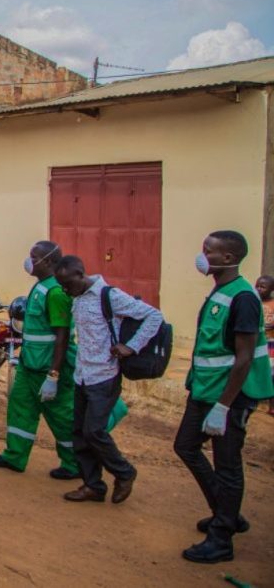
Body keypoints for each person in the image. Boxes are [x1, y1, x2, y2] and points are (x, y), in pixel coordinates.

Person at [174, 232, 274, 564]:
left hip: (230, 396)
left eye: (209, 251)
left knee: (227, 463)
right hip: (206, 390)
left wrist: (223, 406)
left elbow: (244, 357)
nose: (202, 256)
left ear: (228, 258)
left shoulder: (243, 297)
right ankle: (226, 514)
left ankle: (221, 540)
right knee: (186, 445)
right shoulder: (222, 290)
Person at [55, 255, 163, 504]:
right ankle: (93, 485)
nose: (65, 290)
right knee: (79, 433)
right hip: (82, 375)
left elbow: (154, 316)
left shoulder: (109, 296)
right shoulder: (77, 298)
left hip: (104, 376)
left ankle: (124, 472)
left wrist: (132, 346)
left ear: (80, 275)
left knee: (94, 431)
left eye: (67, 284)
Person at [0, 241, 80, 479]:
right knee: (20, 409)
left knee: (61, 417)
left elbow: (62, 336)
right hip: (29, 365)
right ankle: (14, 456)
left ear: (49, 261)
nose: (29, 262)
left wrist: (53, 376)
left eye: (34, 258)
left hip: (47, 368)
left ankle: (74, 464)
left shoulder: (55, 292)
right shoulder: (41, 286)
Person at [256, 275, 274, 416]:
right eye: (257, 286)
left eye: (263, 287)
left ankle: (272, 405)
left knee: (272, 374)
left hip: (270, 344)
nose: (259, 289)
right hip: (255, 342)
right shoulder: (253, 301)